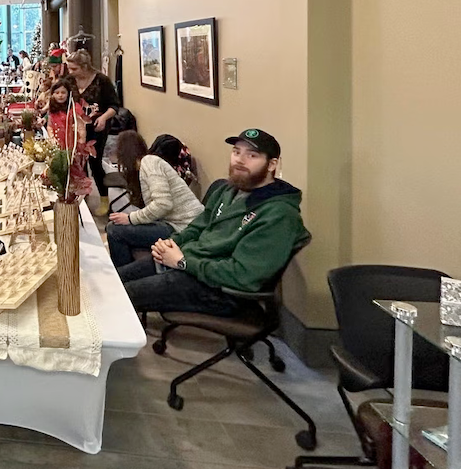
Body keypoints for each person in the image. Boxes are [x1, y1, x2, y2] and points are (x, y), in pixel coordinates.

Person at [118, 129, 309, 316]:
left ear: (272, 164)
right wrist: (172, 243)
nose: (240, 160)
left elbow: (243, 276)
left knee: (117, 298)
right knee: (113, 281)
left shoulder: (279, 214)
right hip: (190, 265)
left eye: (252, 155)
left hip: (220, 291)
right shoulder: (228, 190)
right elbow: (198, 226)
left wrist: (184, 263)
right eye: (236, 152)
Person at [105, 131, 204, 268]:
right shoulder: (144, 167)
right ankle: (126, 273)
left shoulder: (150, 163)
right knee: (116, 227)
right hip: (174, 223)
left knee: (114, 231)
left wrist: (130, 218)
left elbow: (163, 204)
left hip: (184, 227)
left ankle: (122, 277)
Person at [65, 49, 121, 215]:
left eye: (74, 69)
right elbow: (58, 95)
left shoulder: (101, 81)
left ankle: (104, 198)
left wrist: (103, 118)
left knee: (94, 163)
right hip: (76, 127)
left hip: (97, 127)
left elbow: (114, 106)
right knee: (77, 161)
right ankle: (83, 195)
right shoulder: (70, 80)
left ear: (84, 66)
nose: (70, 72)